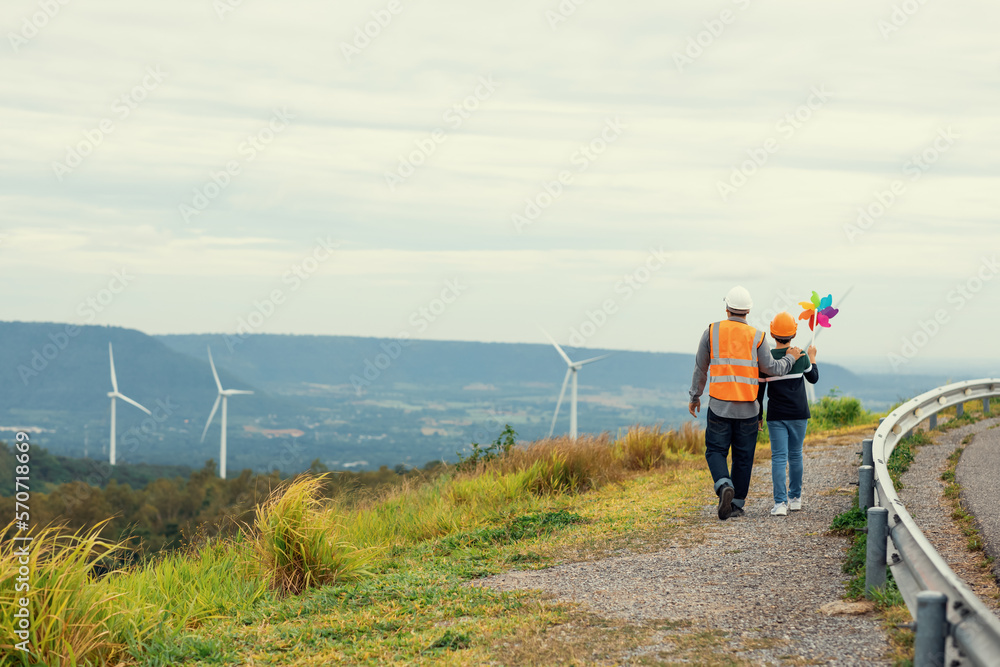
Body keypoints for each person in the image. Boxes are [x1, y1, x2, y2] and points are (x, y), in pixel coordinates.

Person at [689, 286, 803, 520]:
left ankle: (723, 486)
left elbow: (701, 368)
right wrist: (791, 356)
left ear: (727, 308)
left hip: (720, 406)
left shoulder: (711, 332)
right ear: (748, 310)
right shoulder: (758, 336)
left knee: (715, 451)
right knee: (743, 456)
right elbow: (772, 369)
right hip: (748, 408)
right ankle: (736, 504)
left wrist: (695, 396)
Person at [757, 312, 819, 516]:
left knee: (778, 457)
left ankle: (780, 503)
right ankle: (795, 499)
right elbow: (813, 379)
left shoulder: (765, 360)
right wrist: (812, 358)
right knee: (795, 455)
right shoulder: (800, 356)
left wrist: (758, 415)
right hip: (799, 414)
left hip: (776, 415)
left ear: (772, 334)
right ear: (793, 333)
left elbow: (760, 391)